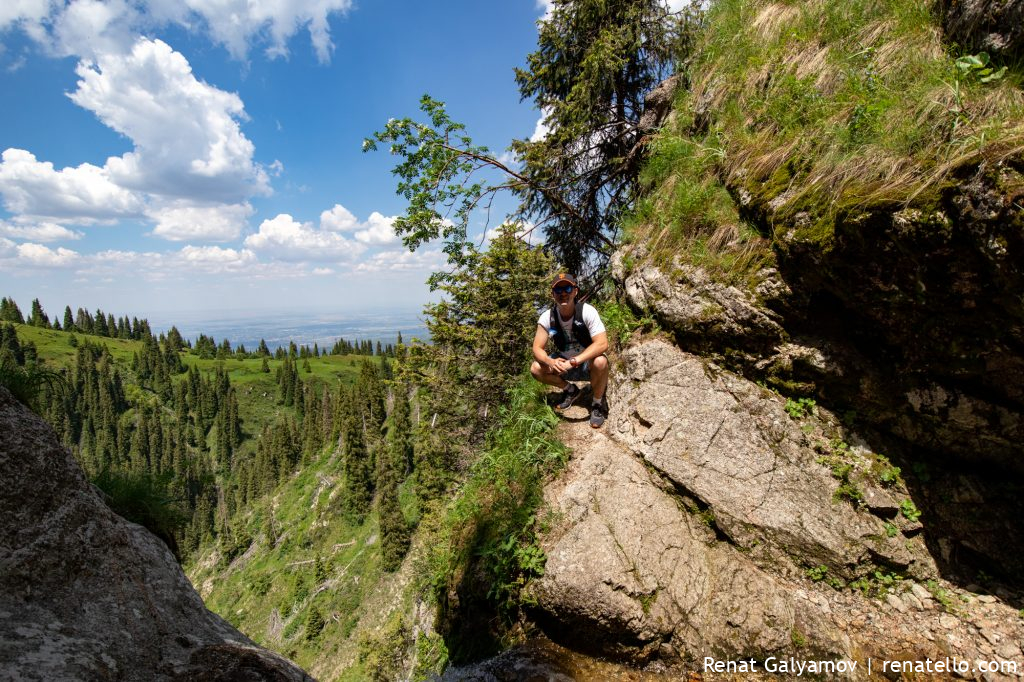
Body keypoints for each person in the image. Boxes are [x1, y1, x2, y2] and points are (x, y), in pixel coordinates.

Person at [530, 273, 610, 428]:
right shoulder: (548, 317)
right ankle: (570, 390)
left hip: (586, 363)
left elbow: (602, 343)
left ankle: (597, 404)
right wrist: (549, 361)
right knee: (535, 368)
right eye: (558, 290)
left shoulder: (587, 311)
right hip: (563, 362)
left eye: (567, 288)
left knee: (601, 361)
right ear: (553, 294)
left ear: (575, 291)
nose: (563, 293)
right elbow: (537, 348)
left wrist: (574, 362)